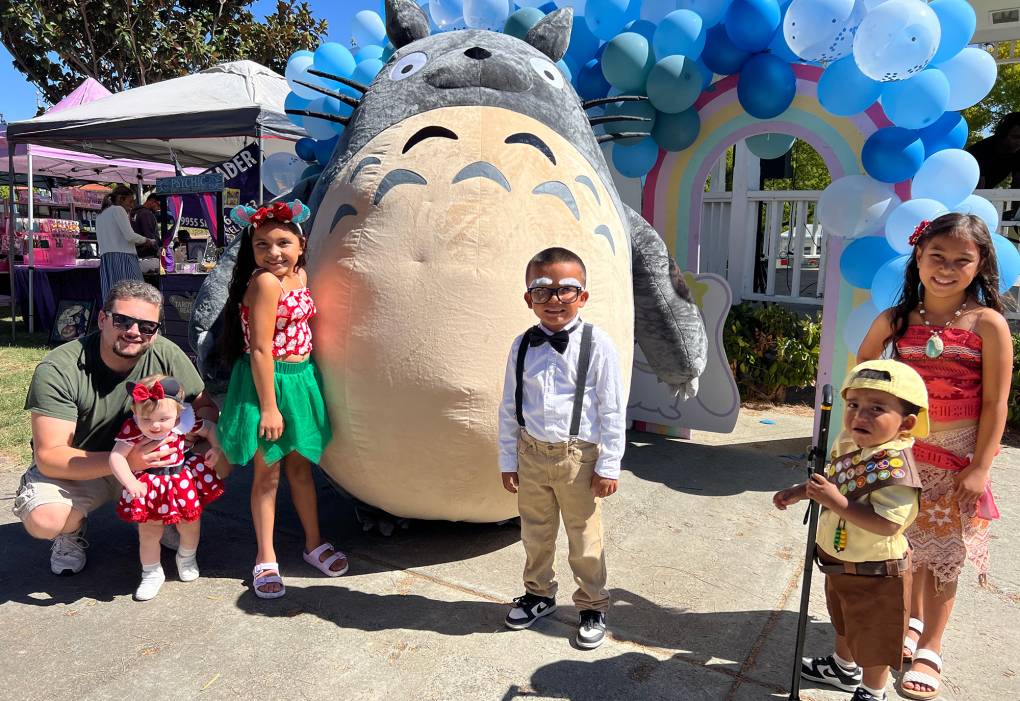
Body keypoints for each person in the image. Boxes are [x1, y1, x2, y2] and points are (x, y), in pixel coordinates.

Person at [857, 213, 1013, 699]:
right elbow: (862, 373)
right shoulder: (895, 320)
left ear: (980, 263)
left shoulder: (989, 324)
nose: (946, 268)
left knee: (945, 555)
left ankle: (931, 645)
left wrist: (981, 467)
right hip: (903, 456)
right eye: (936, 257)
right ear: (918, 259)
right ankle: (906, 623)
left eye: (961, 260)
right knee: (900, 549)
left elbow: (995, 402)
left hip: (958, 462)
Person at [12, 280, 220, 576]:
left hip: (155, 465)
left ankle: (165, 516)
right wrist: (127, 461)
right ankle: (70, 532)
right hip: (86, 465)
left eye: (147, 326)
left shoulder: (165, 352)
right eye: (122, 320)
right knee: (46, 519)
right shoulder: (60, 367)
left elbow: (205, 406)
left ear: (156, 330)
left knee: (219, 455)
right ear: (102, 318)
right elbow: (50, 456)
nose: (134, 331)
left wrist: (192, 438)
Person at [775, 360, 928, 701]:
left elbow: (890, 523)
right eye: (854, 405)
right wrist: (801, 492)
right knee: (843, 618)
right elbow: (834, 481)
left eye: (877, 408)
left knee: (873, 637)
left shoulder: (896, 468)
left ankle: (873, 692)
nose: (861, 416)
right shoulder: (852, 446)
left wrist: (839, 504)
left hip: (877, 571)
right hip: (840, 561)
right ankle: (843, 669)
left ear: (906, 423)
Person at [498, 247, 626, 650]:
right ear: (528, 298)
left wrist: (609, 465)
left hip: (578, 458)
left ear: (583, 296)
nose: (554, 300)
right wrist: (507, 458)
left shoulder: (597, 343)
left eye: (566, 290)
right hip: (530, 453)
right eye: (542, 290)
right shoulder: (521, 345)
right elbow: (508, 406)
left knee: (584, 535)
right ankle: (539, 594)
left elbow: (611, 408)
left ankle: (592, 604)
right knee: (535, 533)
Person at [217, 200, 343, 599]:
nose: (273, 253)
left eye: (283, 243)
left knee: (302, 470)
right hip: (269, 384)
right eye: (262, 245)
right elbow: (259, 350)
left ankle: (313, 544)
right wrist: (269, 406)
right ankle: (265, 556)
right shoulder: (266, 283)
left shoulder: (300, 278)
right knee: (267, 474)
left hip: (300, 378)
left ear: (301, 245)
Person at [109, 374, 224, 601]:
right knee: (149, 531)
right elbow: (116, 457)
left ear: (179, 412)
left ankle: (187, 556)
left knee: (190, 523)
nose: (155, 425)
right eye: (147, 419)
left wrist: (217, 448)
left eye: (163, 418)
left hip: (180, 480)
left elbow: (210, 428)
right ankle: (151, 572)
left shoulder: (184, 423)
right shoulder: (133, 429)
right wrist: (130, 482)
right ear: (134, 411)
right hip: (149, 484)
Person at [97, 186, 148, 301]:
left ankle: (115, 318)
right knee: (134, 294)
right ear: (121, 199)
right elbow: (130, 236)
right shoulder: (118, 210)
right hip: (123, 258)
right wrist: (147, 240)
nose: (131, 206)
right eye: (130, 202)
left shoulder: (100, 215)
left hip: (107, 260)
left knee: (114, 297)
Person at [966, 112, 1020, 190]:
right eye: (1015, 137)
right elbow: (979, 191)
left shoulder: (1018, 151)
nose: (1019, 142)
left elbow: (1018, 184)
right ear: (1003, 134)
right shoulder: (980, 151)